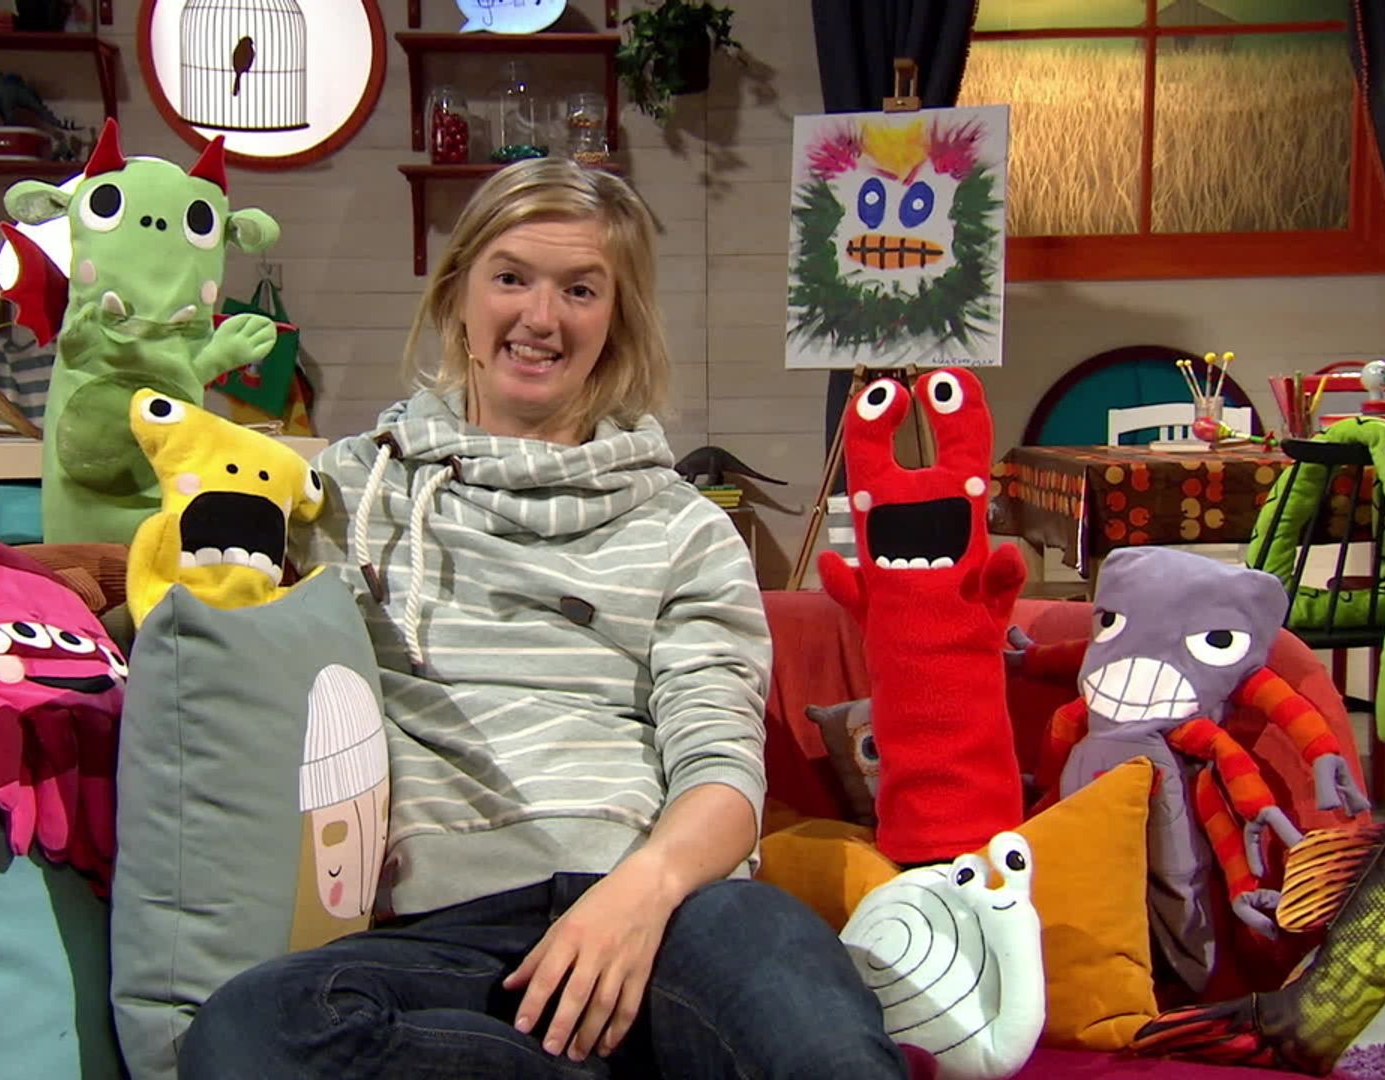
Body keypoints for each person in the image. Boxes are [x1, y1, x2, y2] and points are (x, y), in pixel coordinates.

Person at [177, 158, 909, 1078]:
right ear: (459, 295)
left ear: (617, 319)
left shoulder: (684, 529)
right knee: (251, 1031)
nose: (541, 317)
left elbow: (723, 770)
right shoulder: (346, 488)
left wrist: (642, 891)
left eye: (580, 290)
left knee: (809, 1023)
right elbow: (190, 579)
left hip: (668, 913)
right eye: (512, 277)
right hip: (443, 935)